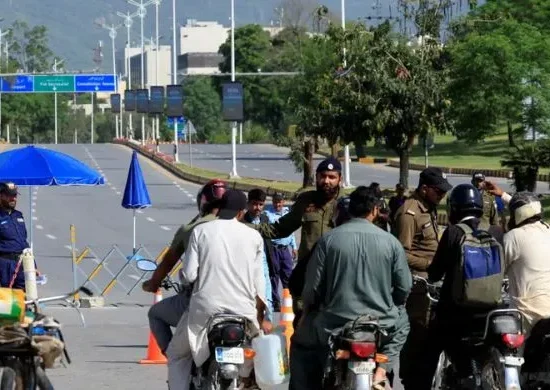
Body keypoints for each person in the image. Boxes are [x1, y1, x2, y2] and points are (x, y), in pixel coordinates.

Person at [290, 186, 412, 390]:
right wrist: (393, 306)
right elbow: (404, 287)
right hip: (381, 325)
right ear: (374, 210)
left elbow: (311, 288)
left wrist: (309, 310)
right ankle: (381, 371)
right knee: (403, 322)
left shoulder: (328, 240)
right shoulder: (391, 243)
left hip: (333, 324)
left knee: (301, 347)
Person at [165, 189, 272, 390]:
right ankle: (246, 379)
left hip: (206, 311)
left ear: (220, 209)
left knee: (177, 355)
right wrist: (261, 316)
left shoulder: (201, 231)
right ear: (241, 212)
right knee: (256, 354)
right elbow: (260, 284)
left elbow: (189, 276)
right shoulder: (254, 236)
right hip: (243, 312)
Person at [423, 183, 504, 388]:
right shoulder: (496, 231)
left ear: (454, 208)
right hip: (490, 312)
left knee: (429, 349)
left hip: (457, 312)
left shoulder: (453, 233)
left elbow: (435, 272)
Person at [252, 157, 342, 326]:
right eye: (322, 176)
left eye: (331, 177)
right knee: (302, 325)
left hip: (336, 276)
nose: (326, 181)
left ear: (339, 179)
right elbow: (279, 228)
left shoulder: (345, 205)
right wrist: (248, 227)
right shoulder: (305, 201)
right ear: (316, 177)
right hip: (307, 274)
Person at [142, 179, 227, 354]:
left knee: (155, 314)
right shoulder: (245, 230)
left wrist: (154, 282)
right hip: (240, 302)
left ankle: (173, 356)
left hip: (201, 301)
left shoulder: (192, 229)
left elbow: (171, 264)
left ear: (202, 202)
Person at [393, 167, 452, 390]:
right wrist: (431, 264)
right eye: (439, 191)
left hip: (434, 283)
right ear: (424, 188)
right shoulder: (410, 213)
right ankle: (411, 381)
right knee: (417, 336)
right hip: (418, 286)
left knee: (430, 337)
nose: (442, 196)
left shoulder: (428, 207)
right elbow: (401, 253)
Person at [262, 192, 297, 311]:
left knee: (288, 275)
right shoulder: (267, 215)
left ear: (283, 202)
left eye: (280, 201)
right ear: (273, 202)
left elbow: (291, 232)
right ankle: (276, 302)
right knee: (274, 275)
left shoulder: (288, 213)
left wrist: (294, 247)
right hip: (273, 249)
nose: (278, 204)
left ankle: (290, 301)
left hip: (285, 249)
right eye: (276, 201)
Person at [243, 188, 274, 318]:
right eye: (255, 204)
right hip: (248, 266)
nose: (258, 208)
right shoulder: (242, 222)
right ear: (248, 204)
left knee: (267, 299)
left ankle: (267, 325)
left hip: (264, 264)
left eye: (261, 204)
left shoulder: (265, 219)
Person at [0, 182, 31, 290]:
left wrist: (33, 266)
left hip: (22, 263)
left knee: (24, 297)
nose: (13, 198)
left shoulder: (18, 215)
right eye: (9, 195)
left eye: (15, 195)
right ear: (1, 195)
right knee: (6, 300)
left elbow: (24, 242)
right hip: (5, 266)